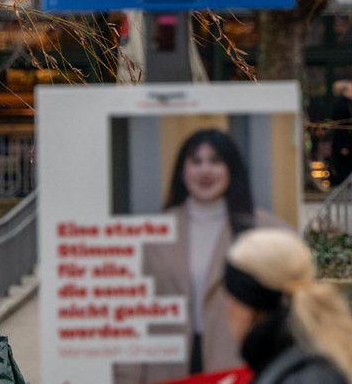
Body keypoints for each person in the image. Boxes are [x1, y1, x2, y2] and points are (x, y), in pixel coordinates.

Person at [117, 129, 289, 384]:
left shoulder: (269, 231)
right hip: (166, 369)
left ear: (231, 168)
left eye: (215, 161)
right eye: (196, 161)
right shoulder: (152, 233)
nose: (205, 170)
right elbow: (131, 316)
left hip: (235, 367)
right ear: (183, 169)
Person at [223, 228, 352, 384]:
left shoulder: (303, 374)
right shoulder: (319, 354)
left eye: (231, 296)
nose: (227, 307)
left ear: (250, 303)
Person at [330, 79, 352, 186]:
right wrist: (343, 145)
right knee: (346, 166)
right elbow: (340, 128)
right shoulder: (341, 105)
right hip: (346, 142)